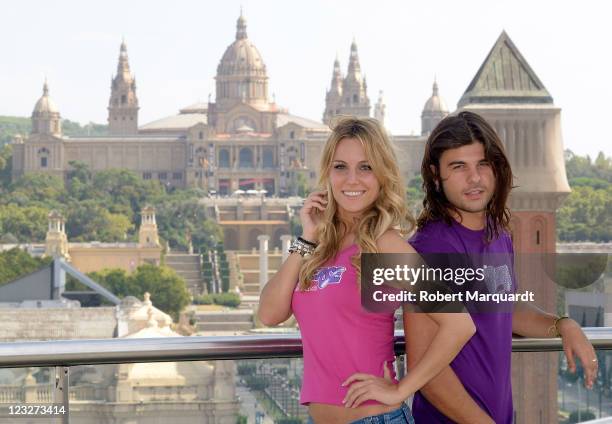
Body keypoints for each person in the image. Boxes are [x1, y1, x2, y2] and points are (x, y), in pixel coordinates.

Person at [258, 116, 476, 424]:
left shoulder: (383, 245)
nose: (352, 180)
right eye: (340, 167)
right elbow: (269, 314)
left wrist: (401, 390)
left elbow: (459, 324)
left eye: (365, 167)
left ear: (382, 176)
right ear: (327, 174)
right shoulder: (323, 246)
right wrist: (306, 238)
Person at [405, 111, 598, 423]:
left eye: (483, 164)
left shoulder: (498, 234)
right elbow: (426, 371)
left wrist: (563, 325)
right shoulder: (428, 248)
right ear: (435, 174)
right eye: (458, 167)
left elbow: (505, 308)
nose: (475, 178)